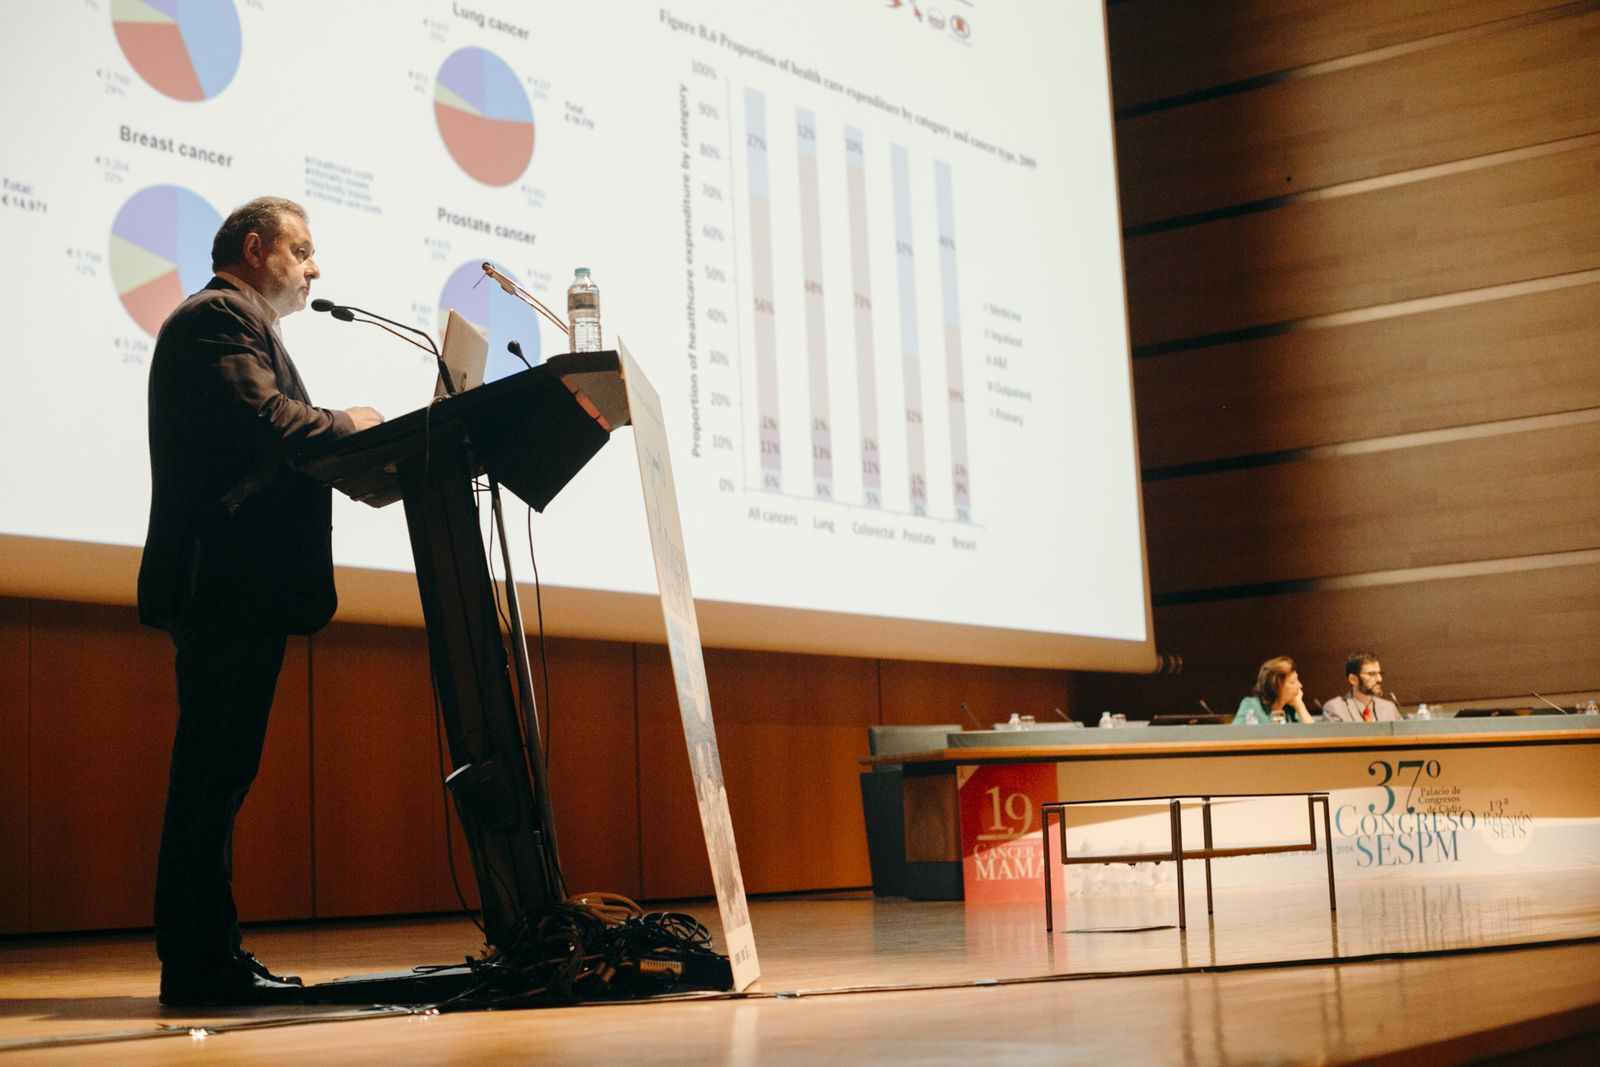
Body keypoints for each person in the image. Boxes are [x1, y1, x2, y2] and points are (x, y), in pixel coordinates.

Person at [137, 197, 383, 1007]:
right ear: (254, 249)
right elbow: (272, 422)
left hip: (242, 586)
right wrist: (357, 423)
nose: (315, 269)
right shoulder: (215, 318)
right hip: (224, 585)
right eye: (301, 250)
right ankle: (199, 965)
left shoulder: (241, 323)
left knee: (223, 774)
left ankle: (214, 954)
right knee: (212, 774)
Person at [1321, 652, 1401, 722]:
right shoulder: (1336, 709)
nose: (1379, 679)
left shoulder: (1389, 708)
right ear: (1353, 679)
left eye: (1380, 673)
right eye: (1371, 674)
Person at [1234, 656, 1313, 724]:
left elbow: (1313, 734)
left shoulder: (1291, 710)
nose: (1300, 685)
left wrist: (1299, 705)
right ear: (1276, 685)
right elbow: (1235, 735)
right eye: (1293, 682)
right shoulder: (1252, 705)